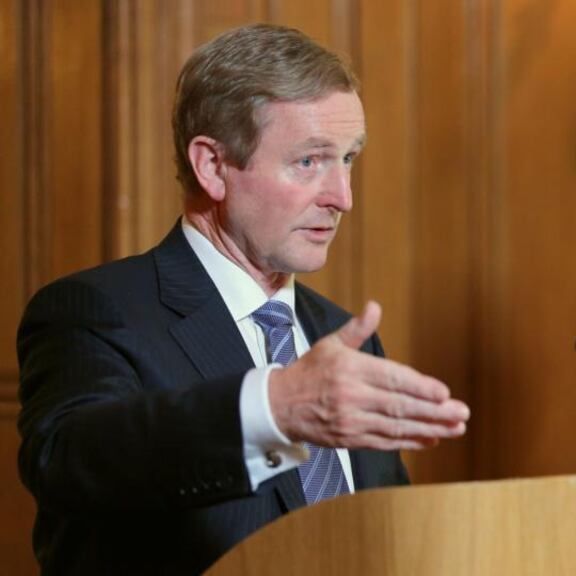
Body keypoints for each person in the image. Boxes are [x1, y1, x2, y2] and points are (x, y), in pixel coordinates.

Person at [17, 24, 470, 575]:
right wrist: (274, 408)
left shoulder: (343, 337)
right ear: (213, 166)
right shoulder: (96, 311)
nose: (342, 197)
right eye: (309, 161)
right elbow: (68, 460)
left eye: (348, 158)